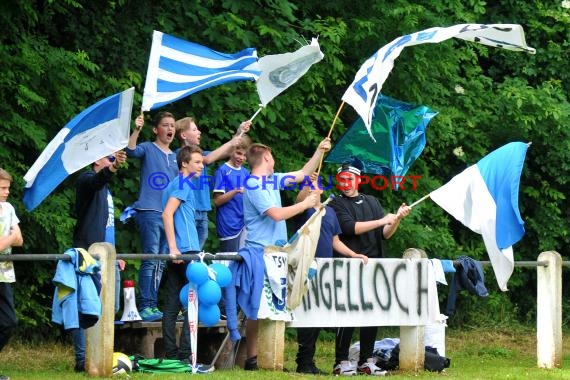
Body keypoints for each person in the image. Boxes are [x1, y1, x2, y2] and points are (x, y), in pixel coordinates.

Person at [236, 138, 331, 371]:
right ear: (266, 157)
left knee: (274, 304)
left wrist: (319, 152)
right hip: (260, 251)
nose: (274, 159)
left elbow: (301, 174)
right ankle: (253, 358)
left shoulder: (272, 179)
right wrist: (306, 203)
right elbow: (276, 214)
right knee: (259, 306)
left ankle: (267, 356)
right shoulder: (254, 184)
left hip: (276, 252)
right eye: (272, 156)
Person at [330, 159, 411, 376]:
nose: (345, 183)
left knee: (371, 314)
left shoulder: (372, 201)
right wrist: (383, 220)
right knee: (348, 314)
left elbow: (384, 234)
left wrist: (396, 220)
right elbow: (351, 228)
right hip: (350, 266)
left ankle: (366, 360)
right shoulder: (335, 204)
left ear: (358, 180)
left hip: (374, 266)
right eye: (341, 179)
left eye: (349, 179)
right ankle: (341, 361)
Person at [294, 173, 368, 374]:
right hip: (306, 266)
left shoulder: (330, 212)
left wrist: (353, 254)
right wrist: (306, 187)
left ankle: (309, 361)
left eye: (316, 185)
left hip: (325, 268)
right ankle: (303, 361)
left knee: (318, 315)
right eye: (309, 186)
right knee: (306, 314)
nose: (313, 188)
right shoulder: (302, 210)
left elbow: (335, 241)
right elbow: (299, 201)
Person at [71, 151, 127, 372]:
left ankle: (102, 355)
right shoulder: (86, 180)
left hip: (107, 255)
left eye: (114, 159)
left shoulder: (106, 189)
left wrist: (115, 253)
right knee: (87, 306)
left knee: (110, 306)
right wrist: (112, 168)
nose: (114, 161)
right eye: (109, 158)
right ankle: (82, 359)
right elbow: (98, 179)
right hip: (90, 255)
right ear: (97, 160)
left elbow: (107, 226)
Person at [127, 112, 178, 321]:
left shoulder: (176, 157)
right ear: (156, 129)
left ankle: (153, 305)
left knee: (161, 262)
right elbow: (130, 151)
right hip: (149, 212)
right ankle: (145, 305)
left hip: (168, 216)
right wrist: (136, 129)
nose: (170, 129)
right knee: (150, 259)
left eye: (173, 125)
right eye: (165, 125)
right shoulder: (148, 147)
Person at [174, 117, 251, 250]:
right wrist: (234, 140)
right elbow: (208, 159)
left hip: (202, 210)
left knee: (196, 252)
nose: (199, 132)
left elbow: (228, 151)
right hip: (188, 209)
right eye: (194, 129)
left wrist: (239, 133)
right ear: (183, 135)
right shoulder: (179, 154)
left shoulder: (201, 153)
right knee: (187, 251)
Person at [161, 145, 205, 365]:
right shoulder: (183, 184)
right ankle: (186, 356)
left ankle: (171, 355)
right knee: (192, 304)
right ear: (184, 163)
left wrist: (172, 249)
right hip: (185, 252)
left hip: (179, 251)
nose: (201, 165)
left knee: (171, 305)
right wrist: (173, 248)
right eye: (197, 162)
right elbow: (167, 213)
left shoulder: (173, 185)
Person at [0, 168, 23, 380]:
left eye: (8, 188)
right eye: (3, 188)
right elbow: (11, 238)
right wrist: (9, 237)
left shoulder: (8, 208)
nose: (7, 192)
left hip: (4, 273)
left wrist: (10, 238)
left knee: (8, 321)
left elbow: (20, 239)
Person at [212, 136, 252, 253]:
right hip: (229, 225)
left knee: (242, 261)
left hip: (244, 224)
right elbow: (217, 201)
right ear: (231, 151)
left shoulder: (246, 172)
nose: (242, 158)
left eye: (245, 155)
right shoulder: (222, 170)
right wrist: (235, 190)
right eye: (238, 153)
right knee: (229, 262)